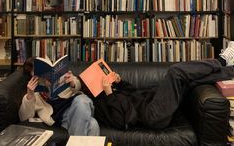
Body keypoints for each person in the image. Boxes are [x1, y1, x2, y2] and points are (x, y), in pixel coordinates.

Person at [92, 41, 234, 131]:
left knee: (189, 82)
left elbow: (134, 93)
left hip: (152, 102)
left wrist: (120, 83)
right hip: (152, 116)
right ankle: (221, 61)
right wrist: (109, 94)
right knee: (175, 72)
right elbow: (121, 121)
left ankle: (230, 70)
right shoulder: (100, 102)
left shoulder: (112, 90)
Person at [19, 57, 100, 136]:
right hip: (64, 118)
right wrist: (30, 95)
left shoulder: (61, 76)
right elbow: (24, 118)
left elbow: (77, 85)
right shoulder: (34, 93)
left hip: (78, 105)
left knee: (82, 101)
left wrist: (72, 82)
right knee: (93, 125)